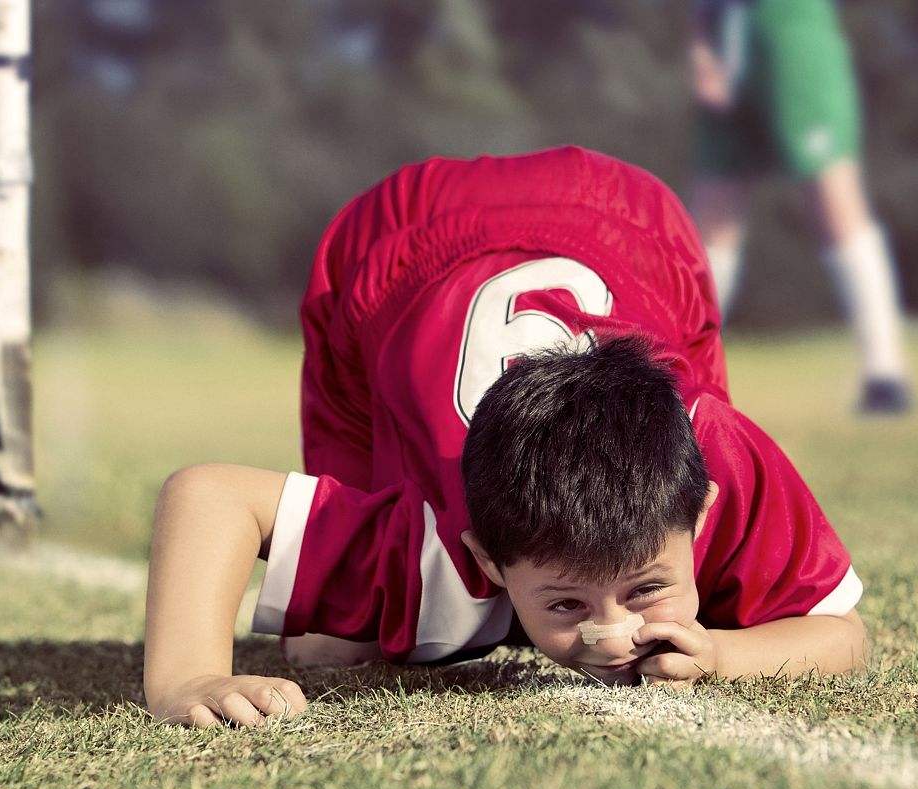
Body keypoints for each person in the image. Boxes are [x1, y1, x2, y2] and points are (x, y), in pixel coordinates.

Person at [143, 147, 867, 728]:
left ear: (704, 509)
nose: (612, 638)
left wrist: (721, 652)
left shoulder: (720, 454)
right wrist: (189, 674)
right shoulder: (426, 543)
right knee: (335, 643)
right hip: (397, 244)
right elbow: (205, 496)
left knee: (722, 601)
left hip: (631, 224)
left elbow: (844, 637)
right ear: (480, 558)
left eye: (645, 587)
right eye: (567, 606)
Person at [690, 0, 913, 414]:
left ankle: (885, 374)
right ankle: (683, 374)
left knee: (833, 196)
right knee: (713, 215)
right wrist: (702, 44)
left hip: (791, 24)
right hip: (726, 27)